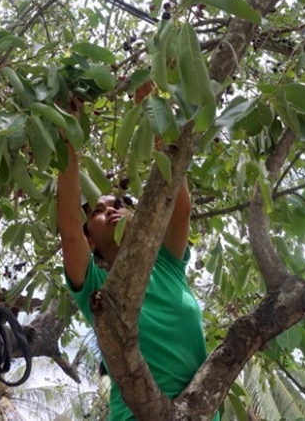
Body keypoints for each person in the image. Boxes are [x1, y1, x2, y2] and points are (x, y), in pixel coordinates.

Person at [57, 119, 217, 420]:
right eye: (97, 211)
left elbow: (180, 208)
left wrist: (157, 121)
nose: (110, 210)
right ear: (89, 240)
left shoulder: (168, 263)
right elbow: (68, 227)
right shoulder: (96, 286)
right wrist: (69, 143)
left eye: (117, 203)